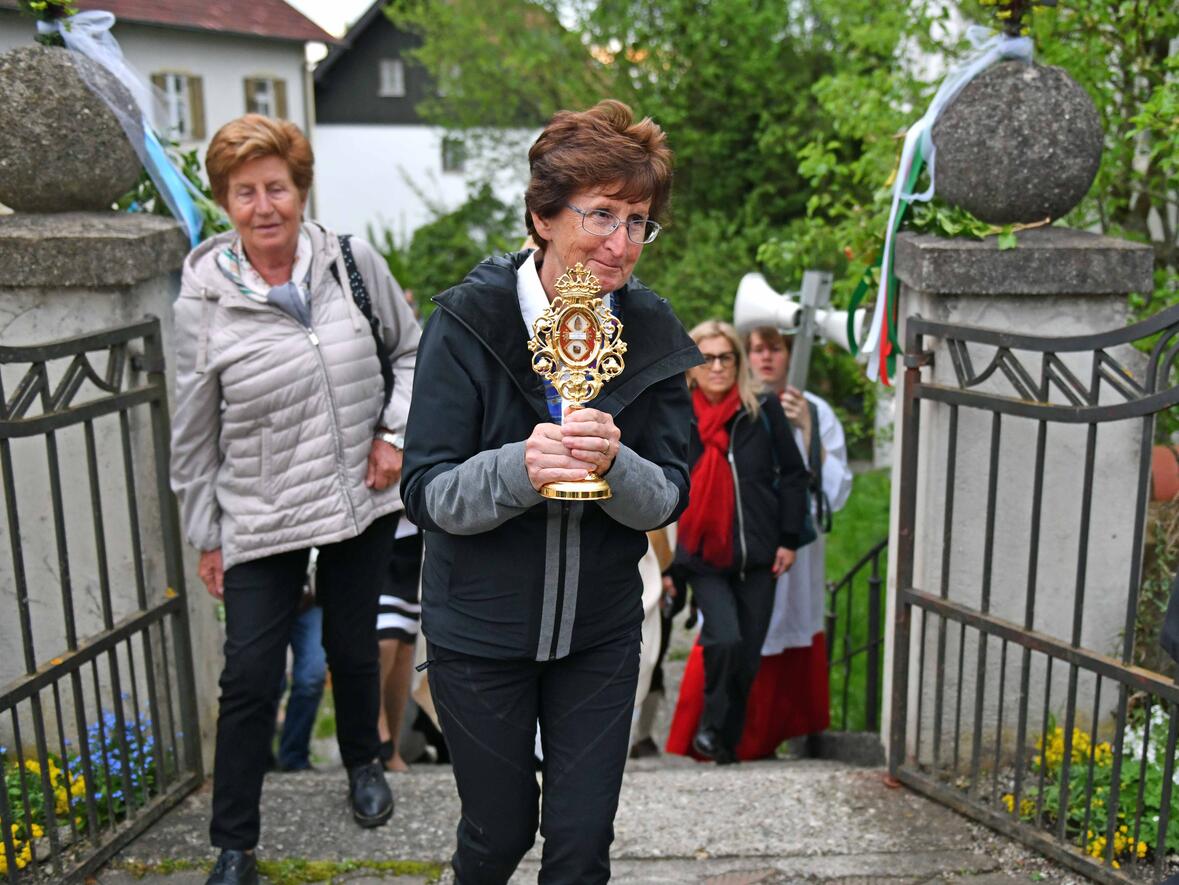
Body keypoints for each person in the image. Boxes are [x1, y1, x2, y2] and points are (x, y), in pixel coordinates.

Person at [400, 99, 701, 884]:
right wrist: (518, 468)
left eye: (638, 221)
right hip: (478, 637)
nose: (621, 243)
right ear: (541, 215)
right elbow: (425, 490)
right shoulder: (467, 321)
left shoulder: (652, 329)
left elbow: (668, 494)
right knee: (498, 835)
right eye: (601, 214)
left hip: (600, 636)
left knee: (578, 849)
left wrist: (613, 464)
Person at [169, 114, 420, 885]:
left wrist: (394, 435)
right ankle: (234, 842)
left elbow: (411, 351)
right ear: (225, 202)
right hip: (260, 509)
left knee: (352, 648)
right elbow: (192, 429)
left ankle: (363, 764)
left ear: (299, 188)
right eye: (244, 192)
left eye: (275, 186)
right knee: (250, 673)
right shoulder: (203, 300)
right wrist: (207, 533)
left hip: (357, 494)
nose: (263, 205)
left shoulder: (349, 262)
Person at [666, 320, 809, 765]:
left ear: (738, 362)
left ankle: (725, 745)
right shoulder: (677, 416)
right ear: (692, 365)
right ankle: (709, 731)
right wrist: (669, 564)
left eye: (726, 357)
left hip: (760, 554)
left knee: (747, 657)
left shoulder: (761, 410)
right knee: (724, 639)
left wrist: (788, 538)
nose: (718, 367)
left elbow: (794, 474)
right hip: (704, 556)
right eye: (707, 358)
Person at [745, 325, 853, 757]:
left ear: (789, 355)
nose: (766, 358)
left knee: (791, 625)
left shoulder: (816, 409)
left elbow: (835, 488)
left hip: (797, 540)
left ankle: (787, 733)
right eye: (756, 349)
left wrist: (806, 427)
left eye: (775, 349)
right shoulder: (741, 401)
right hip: (751, 534)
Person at [376, 517, 423, 771]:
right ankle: (377, 728)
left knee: (405, 649)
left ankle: (391, 746)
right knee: (386, 640)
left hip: (418, 539)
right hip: (377, 534)